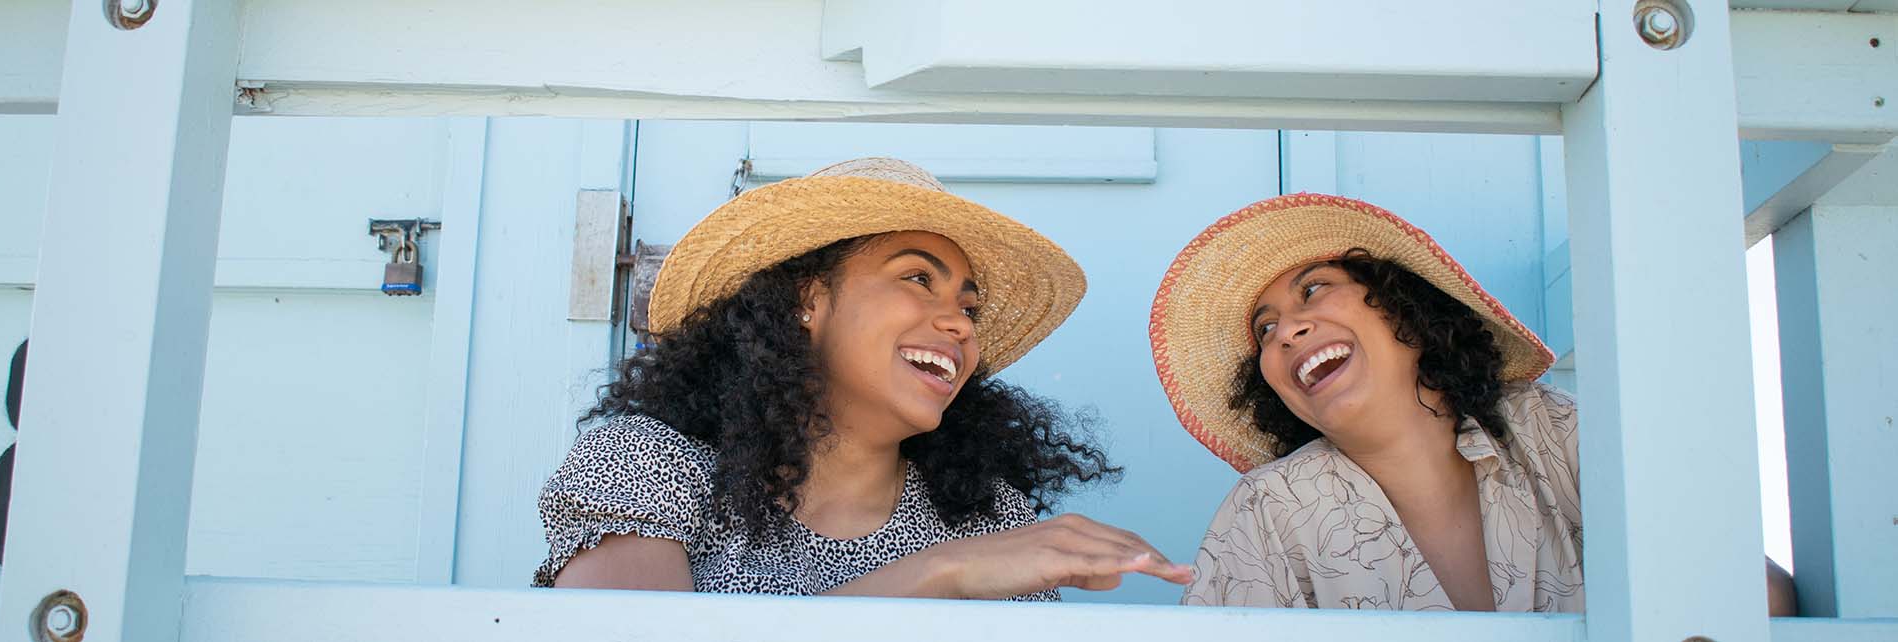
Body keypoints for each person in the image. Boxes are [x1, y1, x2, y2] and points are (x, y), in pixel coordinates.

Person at [535, 158, 1190, 600]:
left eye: (968, 308)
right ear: (808, 299)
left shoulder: (989, 518)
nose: (959, 325)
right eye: (917, 278)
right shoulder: (645, 465)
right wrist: (940, 574)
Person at [1152, 193, 1794, 613]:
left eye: (1314, 289)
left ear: (1405, 305)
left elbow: (1761, 598)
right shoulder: (1266, 510)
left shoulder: (1549, 429)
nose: (1286, 331)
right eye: (1264, 329)